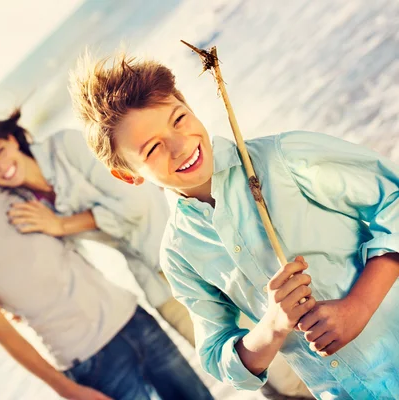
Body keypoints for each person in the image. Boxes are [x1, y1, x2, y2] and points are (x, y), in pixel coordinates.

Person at [69, 53, 399, 399]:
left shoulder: (283, 157)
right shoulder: (180, 252)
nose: (180, 146)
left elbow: (393, 200)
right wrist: (272, 326)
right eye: (153, 148)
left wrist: (359, 305)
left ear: (189, 105)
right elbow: (217, 356)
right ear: (127, 175)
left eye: (178, 119)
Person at [0, 99, 213, 400]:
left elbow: (65, 226)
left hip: (131, 317)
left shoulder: (3, 180)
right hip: (89, 360)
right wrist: (67, 390)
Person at [0, 109, 194, 344]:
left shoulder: (66, 146)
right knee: (225, 365)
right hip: (157, 285)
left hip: (191, 252)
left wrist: (61, 225)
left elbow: (135, 204)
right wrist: (10, 302)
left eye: (0, 151)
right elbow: (48, 262)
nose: (1, 166)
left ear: (10, 140)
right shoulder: (25, 205)